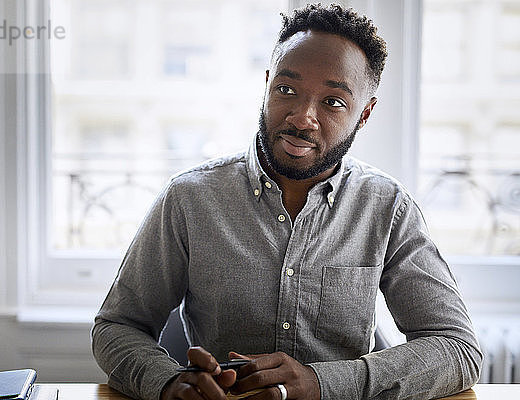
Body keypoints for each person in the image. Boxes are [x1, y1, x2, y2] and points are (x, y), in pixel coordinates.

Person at [92, 4, 482, 400]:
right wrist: (169, 383)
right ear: (266, 86)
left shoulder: (387, 207)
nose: (302, 118)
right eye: (287, 90)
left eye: (333, 102)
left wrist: (320, 383)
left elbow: (458, 349)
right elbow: (117, 326)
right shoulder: (189, 198)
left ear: (364, 114)